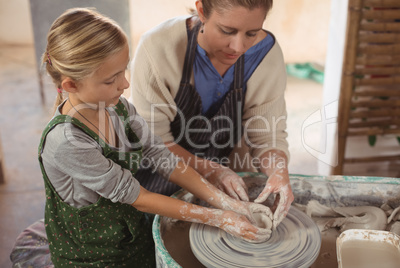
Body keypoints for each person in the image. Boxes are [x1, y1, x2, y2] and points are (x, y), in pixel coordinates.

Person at [39, 7, 273, 267]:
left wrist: (229, 204)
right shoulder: (67, 142)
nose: (125, 84)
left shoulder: (120, 108)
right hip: (92, 252)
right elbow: (137, 197)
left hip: (129, 232)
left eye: (123, 71)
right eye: (111, 80)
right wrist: (218, 217)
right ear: (71, 85)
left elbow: (162, 157)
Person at [131, 0, 294, 228]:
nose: (238, 47)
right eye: (227, 31)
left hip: (224, 169)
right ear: (201, 11)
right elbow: (153, 141)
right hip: (157, 171)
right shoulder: (158, 47)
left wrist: (278, 172)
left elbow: (268, 136)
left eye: (252, 33)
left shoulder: (266, 56)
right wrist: (209, 170)